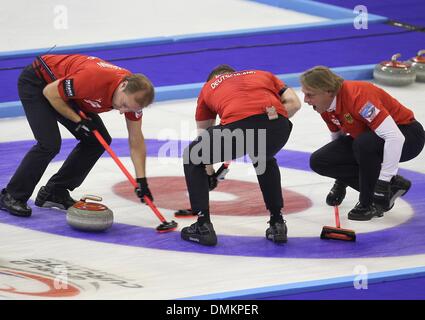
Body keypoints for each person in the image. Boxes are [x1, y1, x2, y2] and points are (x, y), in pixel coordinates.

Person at [0, 54, 155, 218]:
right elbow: (51, 92)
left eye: (129, 109)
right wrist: (78, 120)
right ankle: (12, 195)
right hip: (39, 83)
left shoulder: (133, 99)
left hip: (70, 94)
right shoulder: (94, 78)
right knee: (49, 143)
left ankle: (55, 191)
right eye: (123, 105)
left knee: (96, 141)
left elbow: (136, 139)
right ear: (123, 85)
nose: (123, 112)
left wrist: (141, 179)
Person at [181, 64, 301, 246]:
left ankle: (203, 225)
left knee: (192, 156)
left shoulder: (209, 87)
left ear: (213, 79)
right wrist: (264, 124)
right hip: (279, 125)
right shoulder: (263, 74)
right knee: (263, 157)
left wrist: (209, 172)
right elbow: (294, 103)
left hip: (237, 128)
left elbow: (204, 137)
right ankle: (277, 223)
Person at [300, 66, 425, 221]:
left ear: (329, 91)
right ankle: (394, 187)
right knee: (320, 160)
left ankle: (369, 202)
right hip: (370, 138)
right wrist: (340, 180)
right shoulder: (325, 107)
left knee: (363, 143)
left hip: (408, 135)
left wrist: (384, 181)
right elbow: (338, 141)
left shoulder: (358, 97)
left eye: (309, 95)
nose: (305, 100)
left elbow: (395, 138)